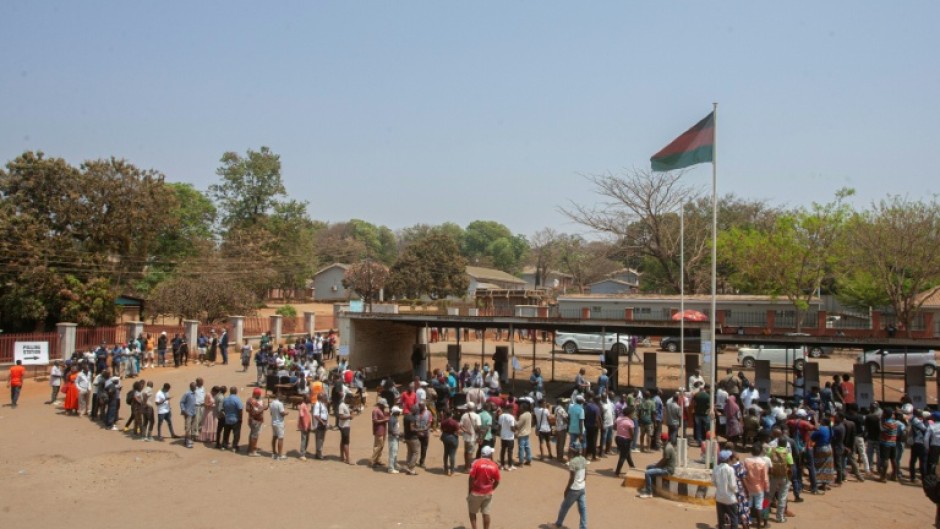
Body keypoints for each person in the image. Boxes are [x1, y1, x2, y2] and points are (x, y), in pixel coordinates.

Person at [552, 442, 588, 529]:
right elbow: (586, 473)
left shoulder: (572, 462)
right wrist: (582, 481)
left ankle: (558, 523)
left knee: (564, 507)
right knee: (583, 509)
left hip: (574, 489)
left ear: (573, 451)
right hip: (582, 488)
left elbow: (572, 478)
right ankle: (583, 527)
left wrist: (567, 490)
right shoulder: (583, 459)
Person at [467, 445, 501, 529]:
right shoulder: (494, 465)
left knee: (472, 512)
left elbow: (471, 478)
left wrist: (469, 491)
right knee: (486, 514)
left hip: (475, 492)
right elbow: (497, 481)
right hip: (488, 493)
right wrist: (492, 489)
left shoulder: (476, 463)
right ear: (490, 455)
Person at [743, 442, 770, 528]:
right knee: (759, 506)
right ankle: (759, 524)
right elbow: (765, 478)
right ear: (760, 452)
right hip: (759, 488)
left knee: (749, 505)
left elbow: (744, 473)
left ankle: (747, 523)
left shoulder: (746, 461)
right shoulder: (763, 463)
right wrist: (767, 488)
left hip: (748, 487)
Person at [713, 450, 740, 529]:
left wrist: (719, 487)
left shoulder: (716, 468)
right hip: (730, 498)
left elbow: (713, 481)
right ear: (728, 459)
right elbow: (732, 485)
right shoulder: (730, 469)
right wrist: (736, 492)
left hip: (719, 497)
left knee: (721, 520)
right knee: (734, 518)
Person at [614, 406, 637, 476]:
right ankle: (617, 472)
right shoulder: (630, 422)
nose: (634, 415)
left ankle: (632, 467)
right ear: (629, 414)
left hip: (618, 438)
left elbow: (615, 427)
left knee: (627, 454)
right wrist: (632, 440)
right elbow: (632, 433)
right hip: (625, 440)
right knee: (623, 456)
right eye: (633, 413)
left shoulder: (618, 419)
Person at [220, 386, 243, 452]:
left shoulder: (226, 399)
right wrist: (240, 418)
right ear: (236, 392)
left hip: (227, 419)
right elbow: (240, 409)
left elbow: (223, 409)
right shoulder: (237, 399)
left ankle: (224, 445)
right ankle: (234, 447)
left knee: (226, 433)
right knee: (236, 434)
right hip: (235, 419)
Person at [461, 403, 482, 471]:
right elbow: (478, 427)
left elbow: (461, 426)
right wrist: (479, 436)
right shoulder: (477, 416)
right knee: (470, 453)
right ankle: (468, 468)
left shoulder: (464, 415)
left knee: (466, 452)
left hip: (465, 437)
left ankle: (466, 465)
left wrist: (466, 431)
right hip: (473, 437)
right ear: (474, 408)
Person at [370, 399, 390, 467]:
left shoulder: (382, 410)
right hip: (378, 430)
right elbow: (375, 421)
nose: (384, 407)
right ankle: (372, 460)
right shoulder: (375, 411)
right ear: (380, 404)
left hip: (383, 429)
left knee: (382, 445)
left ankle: (378, 459)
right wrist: (384, 420)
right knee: (378, 446)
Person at [441, 409, 461, 476]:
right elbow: (458, 432)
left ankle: (446, 469)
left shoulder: (443, 422)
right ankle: (452, 471)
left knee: (446, 453)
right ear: (451, 414)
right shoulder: (454, 422)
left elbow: (442, 429)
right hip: (453, 438)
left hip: (445, 437)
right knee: (452, 454)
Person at [498, 403, 517, 470]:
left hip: (503, 436)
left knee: (503, 450)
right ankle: (510, 465)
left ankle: (502, 465)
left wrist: (500, 433)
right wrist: (515, 431)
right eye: (513, 409)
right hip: (510, 437)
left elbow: (499, 426)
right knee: (510, 451)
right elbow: (512, 428)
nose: (513, 411)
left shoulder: (501, 416)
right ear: (510, 409)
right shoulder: (511, 417)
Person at [269, 393, 288, 460]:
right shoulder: (280, 404)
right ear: (279, 397)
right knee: (280, 438)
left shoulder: (271, 403)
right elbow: (282, 413)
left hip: (273, 422)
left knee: (274, 437)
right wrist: (286, 413)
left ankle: (274, 452)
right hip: (279, 423)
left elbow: (271, 413)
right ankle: (280, 455)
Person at [180, 382, 198, 448]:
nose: (196, 388)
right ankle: (188, 442)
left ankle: (186, 440)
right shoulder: (187, 393)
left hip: (194, 412)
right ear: (191, 387)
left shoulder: (194, 393)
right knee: (188, 428)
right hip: (188, 413)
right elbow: (181, 402)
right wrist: (184, 410)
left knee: (192, 427)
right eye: (195, 387)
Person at [312, 391, 329, 459]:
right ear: (321, 397)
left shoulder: (322, 404)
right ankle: (319, 454)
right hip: (320, 424)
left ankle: (319, 453)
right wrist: (322, 422)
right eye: (324, 396)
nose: (325, 397)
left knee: (321, 439)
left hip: (323, 423)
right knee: (319, 439)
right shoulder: (317, 404)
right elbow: (316, 415)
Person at [516, 400, 533, 467]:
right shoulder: (529, 414)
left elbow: (518, 425)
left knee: (521, 448)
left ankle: (521, 462)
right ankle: (528, 461)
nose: (519, 408)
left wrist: (514, 421)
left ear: (523, 408)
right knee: (527, 447)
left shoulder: (522, 416)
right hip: (527, 433)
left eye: (520, 407)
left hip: (522, 434)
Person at [338, 394, 352, 464]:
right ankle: (347, 459)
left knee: (343, 441)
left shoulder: (345, 405)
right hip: (344, 426)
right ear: (347, 398)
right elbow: (341, 417)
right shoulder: (342, 405)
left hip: (345, 425)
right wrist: (349, 417)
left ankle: (342, 456)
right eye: (350, 400)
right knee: (346, 442)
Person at [388, 405, 402, 474]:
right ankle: (391, 468)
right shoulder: (391, 419)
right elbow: (390, 431)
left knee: (395, 453)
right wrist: (399, 434)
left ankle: (395, 465)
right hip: (392, 439)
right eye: (398, 412)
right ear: (395, 412)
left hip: (396, 438)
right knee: (392, 453)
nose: (400, 413)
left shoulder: (394, 418)